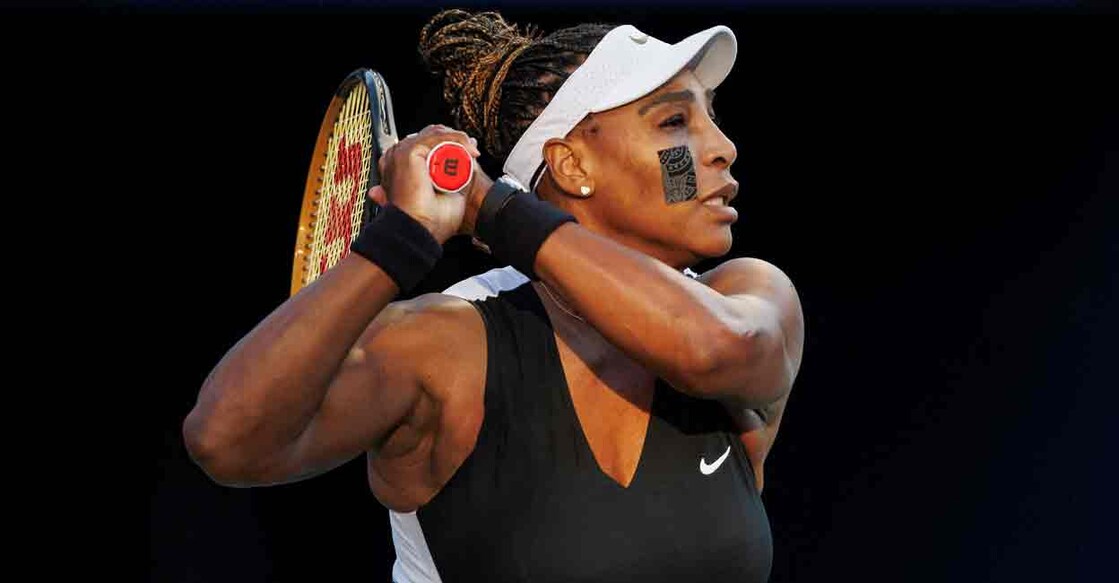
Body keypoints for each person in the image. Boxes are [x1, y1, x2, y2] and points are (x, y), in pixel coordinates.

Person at [183, 9, 804, 582]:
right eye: (675, 122)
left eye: (711, 117)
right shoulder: (443, 345)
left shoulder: (748, 296)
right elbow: (226, 441)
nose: (724, 147)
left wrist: (485, 205)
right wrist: (398, 242)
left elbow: (712, 346)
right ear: (572, 166)